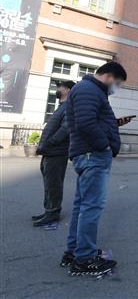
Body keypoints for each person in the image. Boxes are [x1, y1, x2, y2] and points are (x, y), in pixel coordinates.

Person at [63, 62, 130, 276]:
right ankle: (84, 258)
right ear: (109, 76)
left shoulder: (91, 91)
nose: (116, 87)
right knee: (91, 207)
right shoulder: (89, 89)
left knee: (82, 206)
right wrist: (105, 146)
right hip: (93, 155)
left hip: (89, 154)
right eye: (117, 83)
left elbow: (94, 121)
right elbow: (86, 123)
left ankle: (75, 251)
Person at [32, 80, 75, 227]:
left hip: (56, 152)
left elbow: (65, 129)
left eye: (60, 87)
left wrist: (50, 142)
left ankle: (53, 213)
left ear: (68, 90)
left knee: (54, 184)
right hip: (49, 152)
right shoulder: (61, 107)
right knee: (49, 183)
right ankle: (48, 210)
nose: (57, 89)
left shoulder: (69, 106)